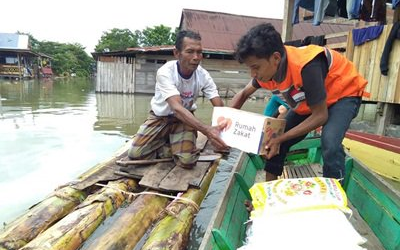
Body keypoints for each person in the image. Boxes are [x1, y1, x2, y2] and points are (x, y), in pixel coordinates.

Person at [231, 23, 368, 181]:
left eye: (255, 67)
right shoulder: (265, 71)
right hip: (312, 102)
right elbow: (242, 95)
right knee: (275, 139)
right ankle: (268, 195)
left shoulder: (307, 66)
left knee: (330, 143)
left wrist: (280, 139)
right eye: (250, 68)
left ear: (276, 58)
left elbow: (320, 116)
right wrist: (224, 126)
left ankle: (334, 193)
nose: (253, 74)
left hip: (344, 95)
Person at [128, 30, 228, 169]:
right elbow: (176, 108)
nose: (196, 57)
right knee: (135, 154)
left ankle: (173, 145)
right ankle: (170, 146)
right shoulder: (165, 72)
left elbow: (218, 105)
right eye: (190, 52)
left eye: (199, 52)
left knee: (187, 162)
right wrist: (207, 130)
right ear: (177, 53)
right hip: (160, 118)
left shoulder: (203, 75)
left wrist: (224, 131)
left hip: (184, 120)